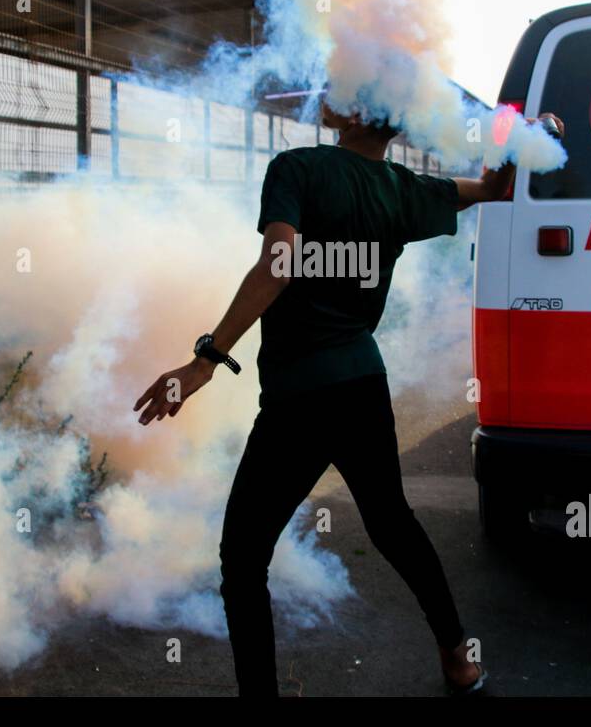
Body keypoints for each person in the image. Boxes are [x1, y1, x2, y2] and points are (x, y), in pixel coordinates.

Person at [133, 103, 564, 696]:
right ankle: (458, 660)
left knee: (242, 557)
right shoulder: (404, 188)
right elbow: (496, 187)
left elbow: (278, 264)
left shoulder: (298, 168)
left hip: (299, 400)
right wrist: (524, 139)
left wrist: (206, 359)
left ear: (360, 112)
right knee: (393, 526)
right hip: (362, 385)